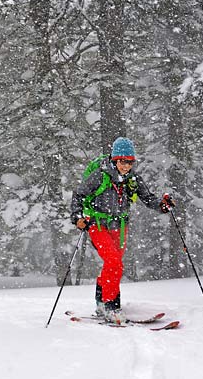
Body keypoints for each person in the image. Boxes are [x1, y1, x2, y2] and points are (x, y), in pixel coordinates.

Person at [70, 137, 174, 323]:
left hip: (120, 227)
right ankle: (111, 306)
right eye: (123, 161)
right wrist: (77, 217)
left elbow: (148, 198)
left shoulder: (132, 179)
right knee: (114, 263)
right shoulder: (100, 176)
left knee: (112, 265)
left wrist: (163, 206)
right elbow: (78, 194)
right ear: (114, 159)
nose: (126, 166)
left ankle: (101, 303)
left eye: (130, 162)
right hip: (98, 225)